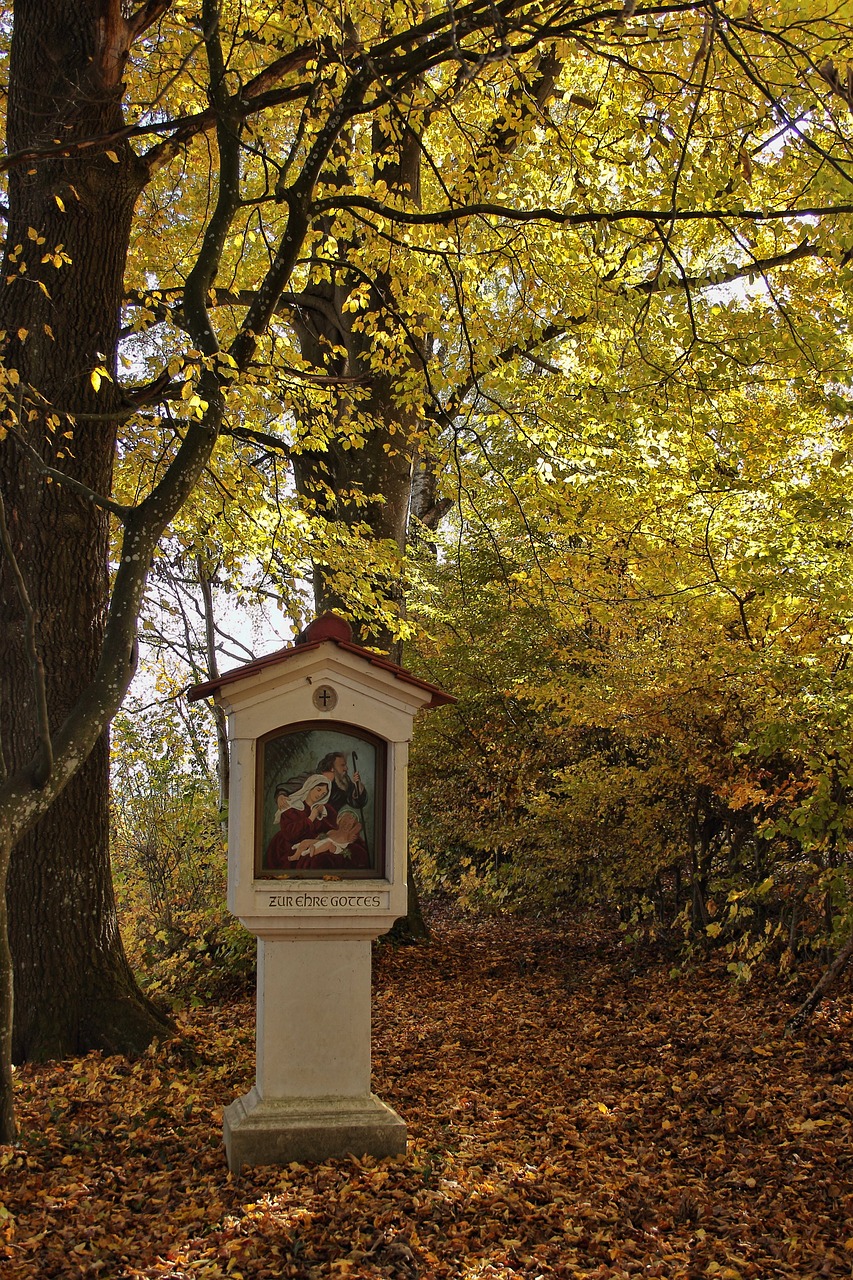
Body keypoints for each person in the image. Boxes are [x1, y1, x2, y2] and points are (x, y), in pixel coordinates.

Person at [265, 773, 369, 871]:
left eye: (323, 793)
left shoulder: (325, 809)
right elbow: (290, 834)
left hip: (321, 842)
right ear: (310, 787)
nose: (320, 795)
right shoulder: (293, 808)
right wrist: (311, 817)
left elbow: (335, 827)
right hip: (290, 845)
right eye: (318, 790)